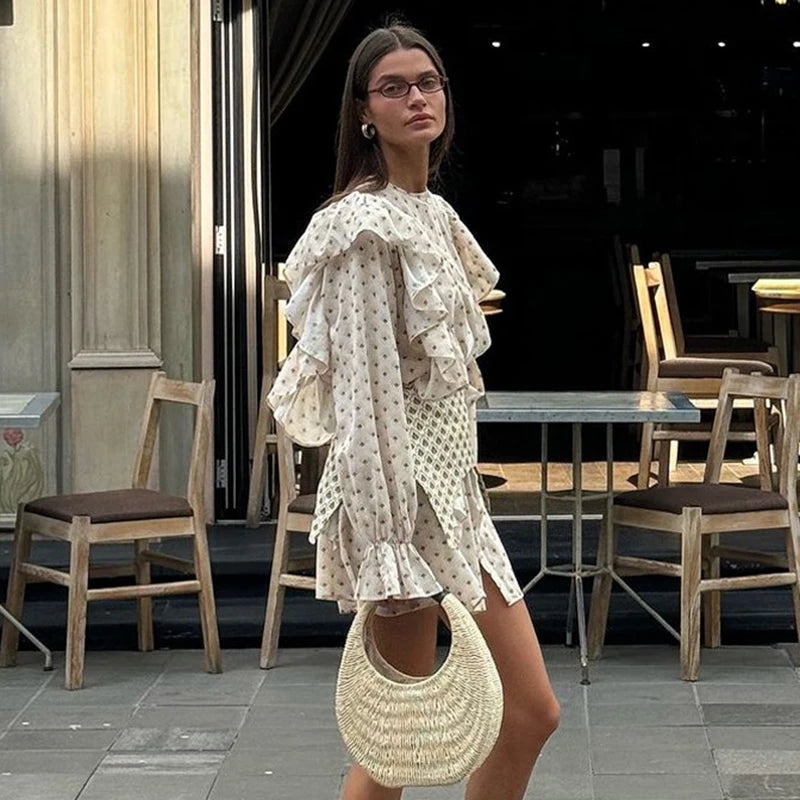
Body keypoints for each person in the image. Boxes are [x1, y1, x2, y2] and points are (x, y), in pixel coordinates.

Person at [268, 22, 560, 800]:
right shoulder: (364, 226)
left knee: (529, 713)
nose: (416, 97)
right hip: (399, 504)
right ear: (364, 113)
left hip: (455, 497)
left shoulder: (430, 212)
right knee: (394, 742)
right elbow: (365, 398)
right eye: (393, 87)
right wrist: (389, 536)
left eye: (427, 82)